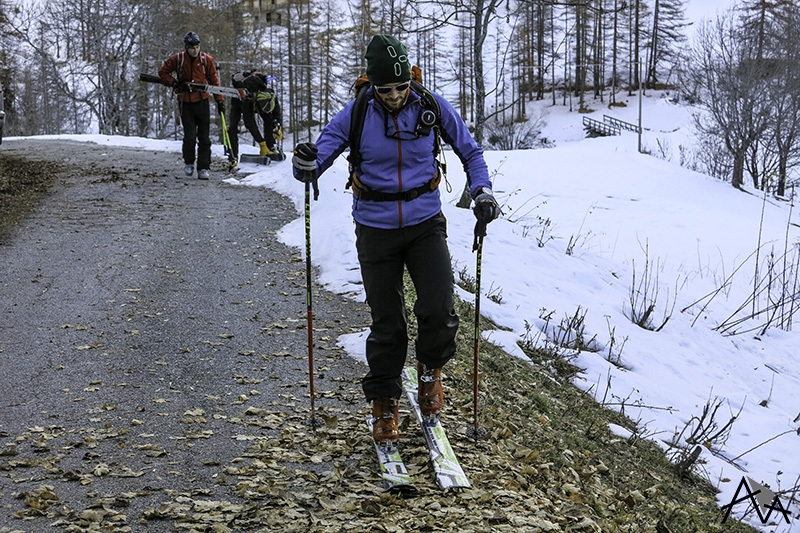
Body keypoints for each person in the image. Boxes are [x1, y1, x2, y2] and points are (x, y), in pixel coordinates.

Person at [291, 35, 499, 449]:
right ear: (373, 85)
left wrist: (482, 192)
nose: (394, 96)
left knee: (439, 308)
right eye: (385, 89)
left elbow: (471, 153)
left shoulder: (430, 104)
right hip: (375, 229)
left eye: (400, 87)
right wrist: (306, 164)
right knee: (388, 323)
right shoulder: (357, 113)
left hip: (425, 223)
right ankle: (384, 404)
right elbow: (320, 155)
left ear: (409, 80)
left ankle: (428, 372)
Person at [158, 31, 225, 180]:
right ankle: (189, 162)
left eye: (197, 47)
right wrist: (174, 83)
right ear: (186, 47)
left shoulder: (206, 60)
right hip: (185, 102)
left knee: (204, 137)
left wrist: (220, 100)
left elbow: (214, 81)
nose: (195, 50)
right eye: (192, 47)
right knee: (189, 136)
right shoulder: (178, 59)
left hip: (202, 101)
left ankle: (203, 167)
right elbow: (163, 72)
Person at [227, 69, 284, 162]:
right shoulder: (247, 100)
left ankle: (271, 147)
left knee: (269, 119)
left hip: (258, 102)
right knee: (233, 127)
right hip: (238, 102)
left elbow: (276, 112)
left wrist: (278, 126)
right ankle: (233, 154)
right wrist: (261, 142)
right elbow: (250, 123)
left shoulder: (270, 95)